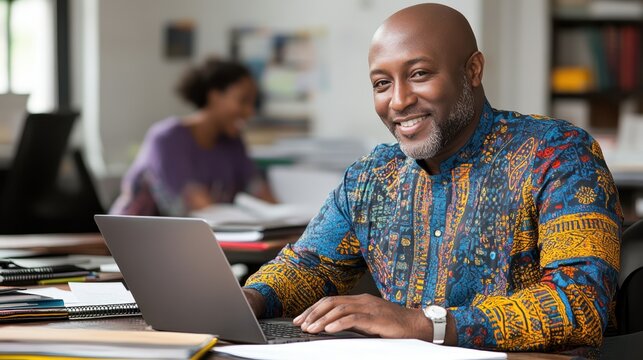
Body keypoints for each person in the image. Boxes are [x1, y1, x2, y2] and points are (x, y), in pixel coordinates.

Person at [241, 3, 622, 355]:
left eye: (419, 74)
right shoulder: (370, 176)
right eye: (382, 83)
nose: (399, 100)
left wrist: (422, 324)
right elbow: (309, 267)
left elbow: (581, 303)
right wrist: (248, 299)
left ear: (472, 70)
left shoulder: (557, 153)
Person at [110, 58, 274, 216]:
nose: (250, 111)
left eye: (253, 102)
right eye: (243, 101)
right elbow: (200, 208)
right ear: (215, 96)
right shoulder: (167, 138)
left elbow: (261, 193)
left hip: (194, 239)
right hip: (134, 238)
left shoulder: (233, 142)